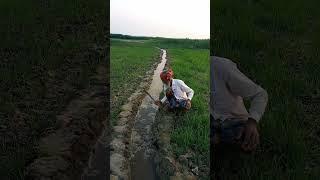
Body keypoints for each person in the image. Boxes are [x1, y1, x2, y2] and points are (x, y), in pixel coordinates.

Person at [210, 56, 268, 178]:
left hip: (232, 121)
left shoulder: (221, 67)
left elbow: (259, 94)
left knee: (245, 141)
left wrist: (252, 123)